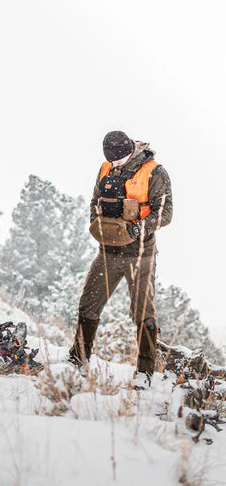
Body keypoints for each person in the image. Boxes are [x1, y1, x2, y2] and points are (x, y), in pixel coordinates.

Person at [68, 131, 173, 389]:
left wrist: (137, 229)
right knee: (89, 303)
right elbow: (94, 200)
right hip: (108, 252)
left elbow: (165, 213)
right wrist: (97, 224)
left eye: (118, 160)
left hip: (141, 254)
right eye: (111, 160)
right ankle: (78, 358)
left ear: (129, 152)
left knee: (143, 312)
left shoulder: (154, 172)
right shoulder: (105, 168)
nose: (114, 164)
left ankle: (145, 372)